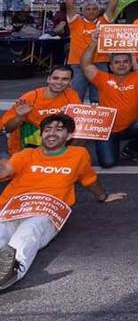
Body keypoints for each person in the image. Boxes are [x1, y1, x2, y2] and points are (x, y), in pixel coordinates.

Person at [0, 114, 126, 289]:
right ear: (41, 134)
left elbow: (88, 179)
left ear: (68, 136)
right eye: (47, 130)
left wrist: (103, 196)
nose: (52, 134)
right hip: (12, 208)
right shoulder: (27, 154)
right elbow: (5, 169)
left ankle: (9, 272)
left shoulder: (78, 154)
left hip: (48, 211)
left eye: (59, 130)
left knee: (29, 232)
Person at [81, 35, 138, 167]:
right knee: (108, 163)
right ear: (111, 66)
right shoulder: (102, 78)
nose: (121, 65)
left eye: (125, 61)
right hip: (107, 131)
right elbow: (85, 64)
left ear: (130, 64)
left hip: (130, 127)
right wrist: (94, 42)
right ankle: (104, 144)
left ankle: (131, 149)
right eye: (117, 62)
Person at [0, 66, 79, 154]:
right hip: (26, 148)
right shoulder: (30, 97)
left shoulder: (71, 95)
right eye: (55, 78)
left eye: (65, 79)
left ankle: (67, 155)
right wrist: (20, 116)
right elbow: (6, 129)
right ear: (48, 79)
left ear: (70, 82)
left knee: (80, 135)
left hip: (55, 144)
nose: (59, 82)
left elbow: (79, 122)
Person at [64, 0, 118, 102]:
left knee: (99, 96)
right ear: (82, 11)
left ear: (99, 10)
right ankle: (74, 120)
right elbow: (70, 5)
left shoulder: (103, 21)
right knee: (76, 95)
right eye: (87, 9)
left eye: (94, 9)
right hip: (78, 64)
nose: (91, 11)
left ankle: (98, 120)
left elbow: (112, 7)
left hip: (100, 62)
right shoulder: (75, 21)